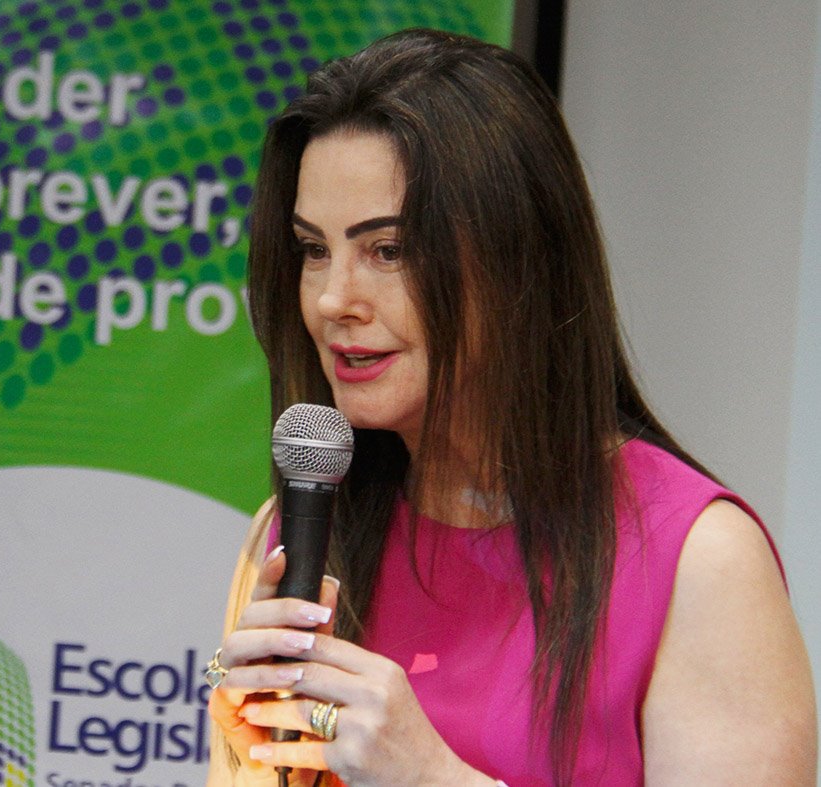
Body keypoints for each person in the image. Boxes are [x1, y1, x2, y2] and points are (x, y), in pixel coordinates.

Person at [203, 28, 817, 787]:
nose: (333, 300)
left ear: (517, 261)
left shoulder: (697, 560)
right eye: (313, 249)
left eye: (388, 250)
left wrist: (436, 780)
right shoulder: (296, 535)